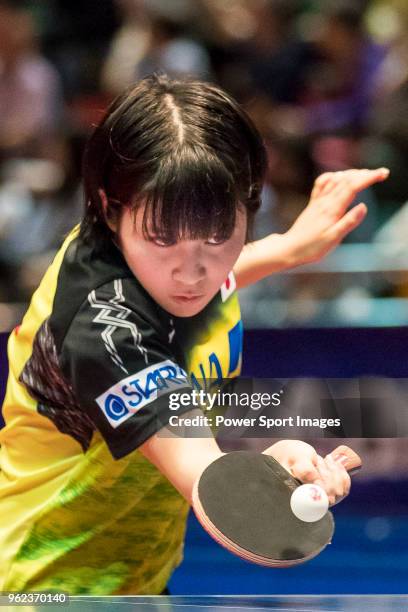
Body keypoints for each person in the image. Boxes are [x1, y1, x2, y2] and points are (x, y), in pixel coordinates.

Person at [0, 74, 389, 594]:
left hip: (137, 586)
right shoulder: (105, 333)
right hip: (45, 593)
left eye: (217, 234)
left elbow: (204, 269)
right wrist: (271, 469)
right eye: (163, 239)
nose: (192, 274)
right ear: (111, 209)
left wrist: (285, 249)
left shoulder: (154, 253)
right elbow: (211, 482)